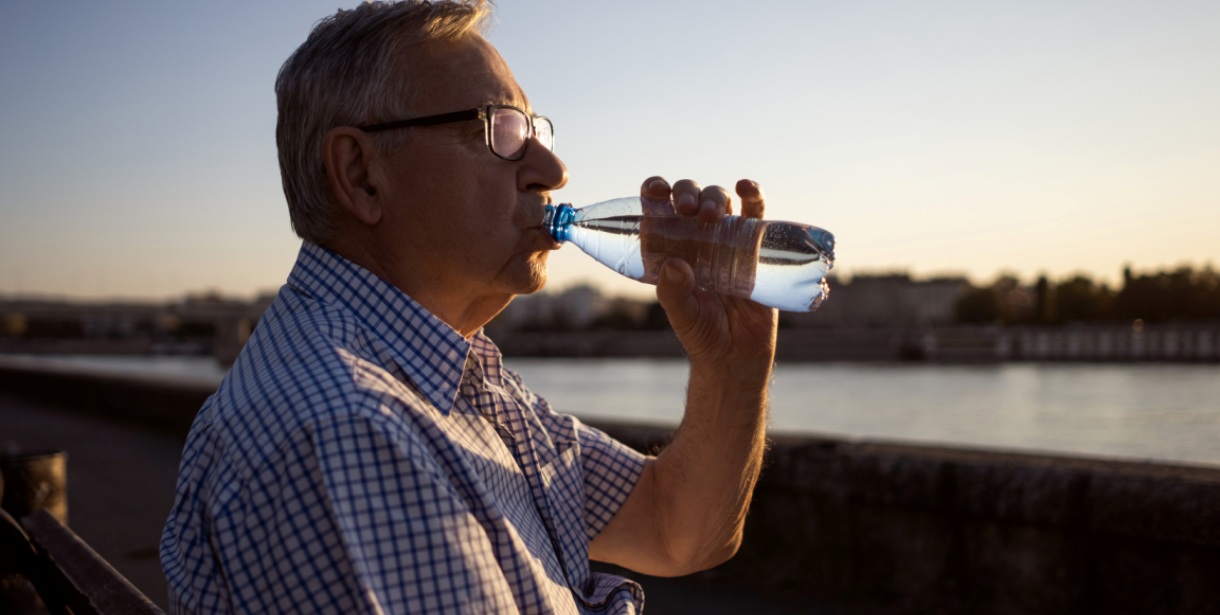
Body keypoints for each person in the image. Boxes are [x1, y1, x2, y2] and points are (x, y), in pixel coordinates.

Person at [159, 1, 778, 613]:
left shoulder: (453, 377)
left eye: (536, 131)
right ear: (361, 175)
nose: (553, 170)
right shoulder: (347, 430)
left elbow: (677, 530)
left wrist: (733, 367)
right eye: (502, 130)